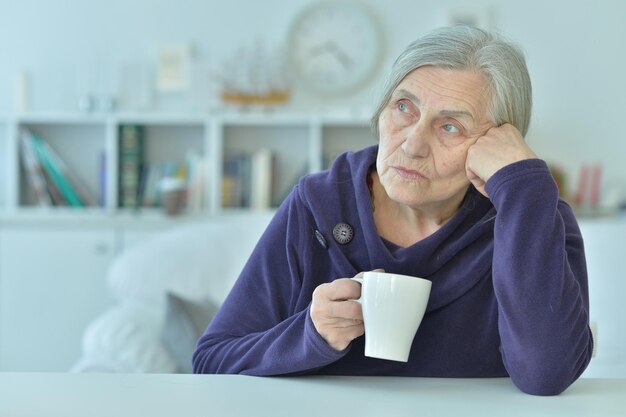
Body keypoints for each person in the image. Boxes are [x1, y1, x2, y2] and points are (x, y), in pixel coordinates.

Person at [193, 25, 593, 396]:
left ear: (496, 146)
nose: (413, 144)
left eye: (450, 126)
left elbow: (546, 375)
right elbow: (212, 361)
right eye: (404, 107)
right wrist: (310, 335)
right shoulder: (319, 203)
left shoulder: (534, 214)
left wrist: (524, 187)